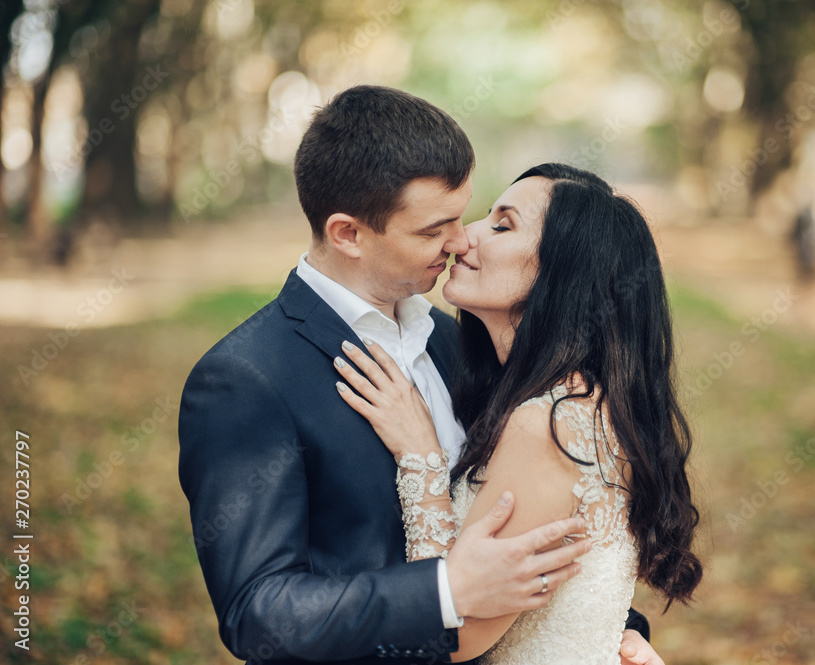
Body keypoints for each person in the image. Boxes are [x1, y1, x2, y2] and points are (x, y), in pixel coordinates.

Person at [178, 86, 662, 664]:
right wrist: (446, 593)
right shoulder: (247, 378)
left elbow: (544, 525)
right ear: (348, 234)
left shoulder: (464, 342)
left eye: (467, 217)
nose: (461, 242)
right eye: (435, 230)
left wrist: (609, 633)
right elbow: (259, 615)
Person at [334, 163, 703, 663]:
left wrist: (421, 458)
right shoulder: (582, 400)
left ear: (562, 273)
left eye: (502, 225)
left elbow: (457, 636)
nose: (463, 240)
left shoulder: (549, 425)